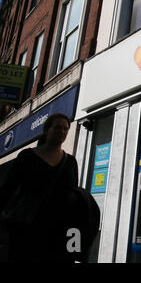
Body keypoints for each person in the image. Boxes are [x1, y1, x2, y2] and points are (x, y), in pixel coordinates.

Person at [0, 113, 79, 263]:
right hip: (26, 229)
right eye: (57, 128)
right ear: (47, 129)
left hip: (56, 232)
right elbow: (7, 190)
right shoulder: (27, 156)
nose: (62, 132)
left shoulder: (71, 162)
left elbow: (73, 195)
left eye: (65, 129)